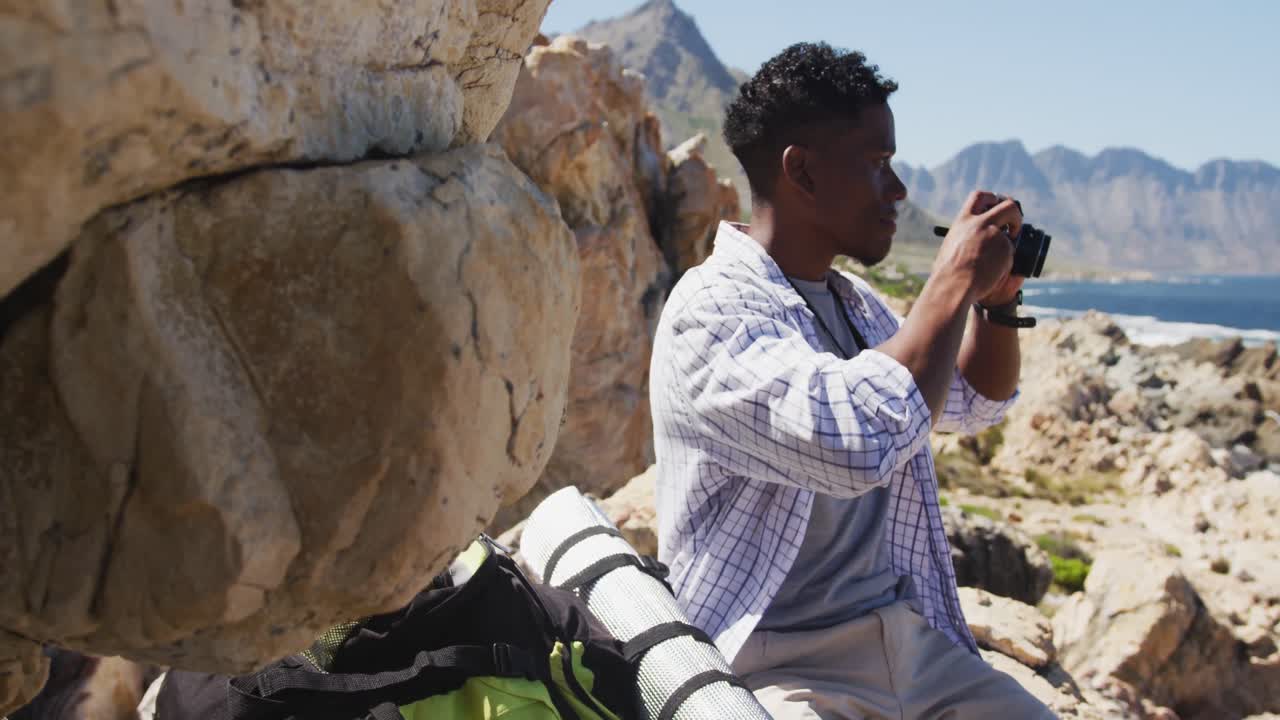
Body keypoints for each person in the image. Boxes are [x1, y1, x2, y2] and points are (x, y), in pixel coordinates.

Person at [648, 42, 1055, 719]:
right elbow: (856, 443)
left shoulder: (855, 304)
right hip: (771, 663)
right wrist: (950, 279)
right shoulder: (711, 312)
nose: (897, 191)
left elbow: (972, 401)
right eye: (878, 165)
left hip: (905, 642)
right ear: (801, 172)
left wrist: (995, 303)